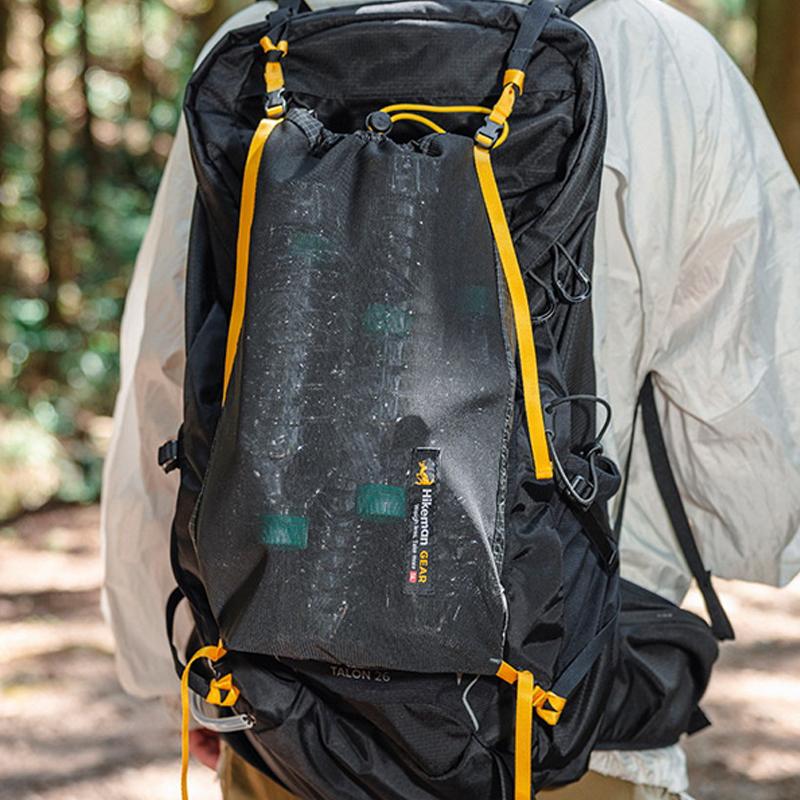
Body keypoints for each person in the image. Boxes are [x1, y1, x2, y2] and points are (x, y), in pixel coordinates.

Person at [101, 0, 800, 797]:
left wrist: (177, 669)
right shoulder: (663, 56)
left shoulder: (261, 48)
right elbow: (758, 459)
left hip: (285, 711)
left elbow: (173, 373)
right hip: (559, 728)